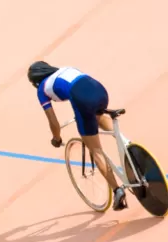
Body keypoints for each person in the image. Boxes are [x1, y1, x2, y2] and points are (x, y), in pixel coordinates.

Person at [26, 60, 126, 210]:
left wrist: (56, 138)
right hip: (99, 90)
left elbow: (53, 122)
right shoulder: (66, 69)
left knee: (96, 150)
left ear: (35, 81)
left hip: (81, 100)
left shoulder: (42, 89)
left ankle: (117, 190)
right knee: (97, 116)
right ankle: (127, 144)